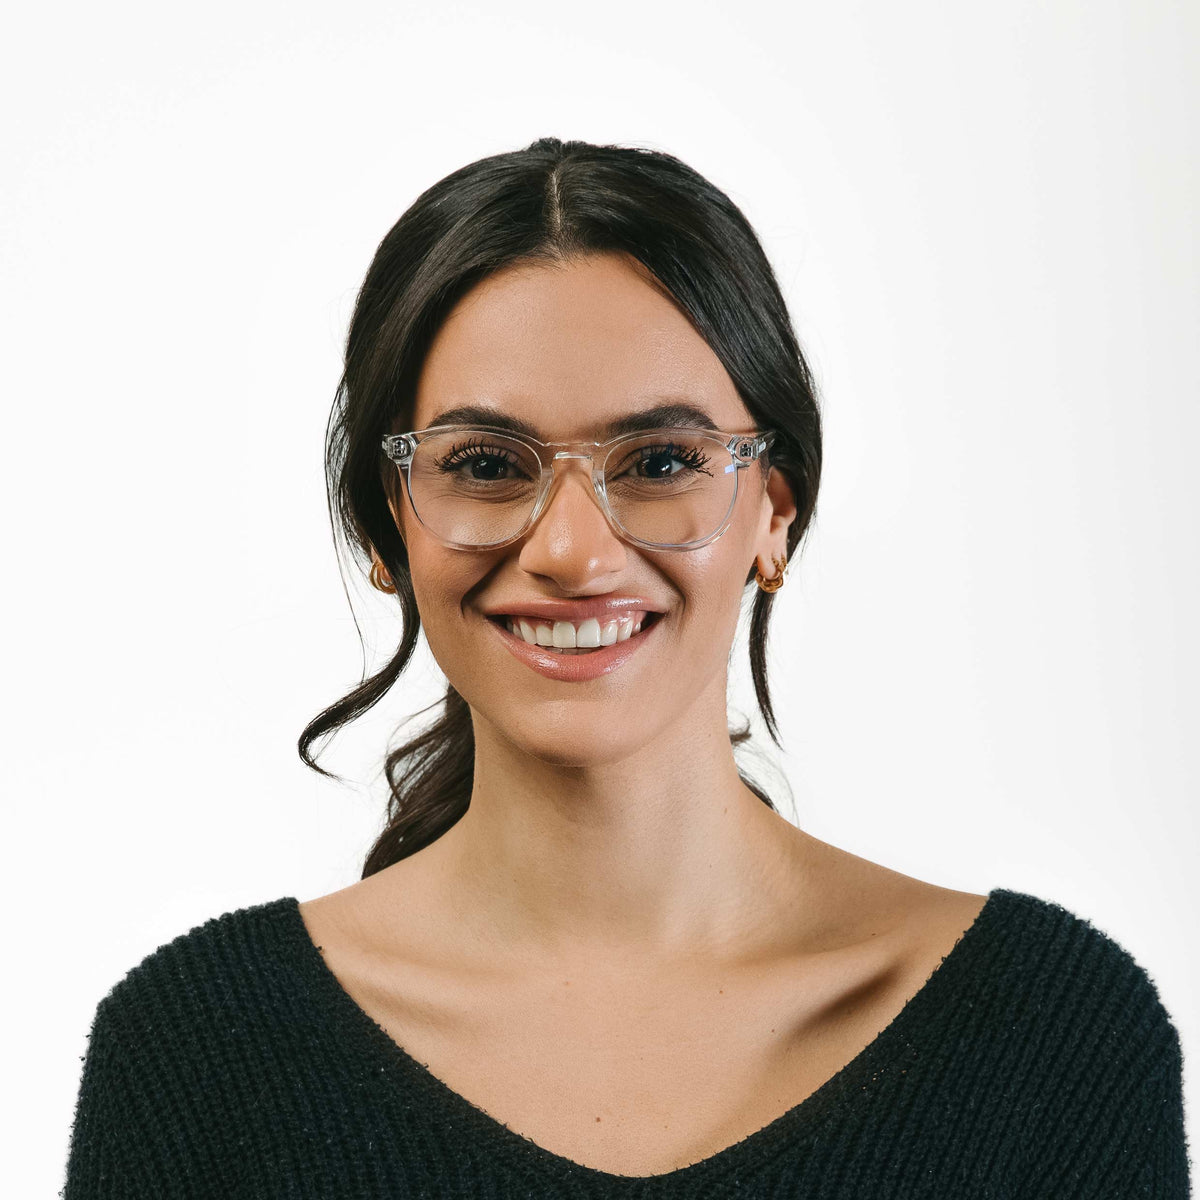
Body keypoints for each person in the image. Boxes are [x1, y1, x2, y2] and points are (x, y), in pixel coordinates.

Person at [63, 137, 1191, 1197]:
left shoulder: (1052, 1039)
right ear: (384, 523)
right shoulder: (196, 1061)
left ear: (774, 515)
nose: (570, 549)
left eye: (659, 460)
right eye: (486, 464)